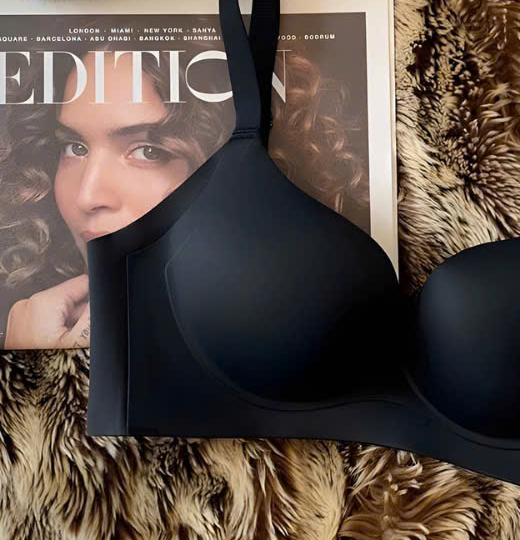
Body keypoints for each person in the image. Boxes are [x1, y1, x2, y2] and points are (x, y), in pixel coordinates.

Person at [0, 37, 369, 349]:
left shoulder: (330, 333)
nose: (87, 196)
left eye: (149, 151)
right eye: (74, 148)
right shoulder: (35, 324)